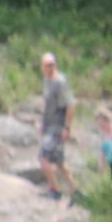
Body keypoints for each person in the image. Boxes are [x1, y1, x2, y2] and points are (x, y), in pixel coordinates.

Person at [37, 52, 77, 202]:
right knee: (58, 162)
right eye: (47, 65)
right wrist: (43, 123)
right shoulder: (46, 81)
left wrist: (67, 127)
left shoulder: (59, 82)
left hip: (57, 127)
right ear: (42, 67)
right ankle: (75, 190)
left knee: (43, 158)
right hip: (49, 126)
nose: (50, 67)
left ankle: (56, 190)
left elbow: (70, 105)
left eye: (52, 64)